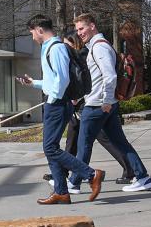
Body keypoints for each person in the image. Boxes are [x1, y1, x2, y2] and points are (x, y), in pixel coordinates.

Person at [18, 14, 105, 204]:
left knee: (50, 147)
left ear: (40, 30)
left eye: (32, 32)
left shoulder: (56, 48)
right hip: (56, 102)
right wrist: (33, 83)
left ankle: (91, 175)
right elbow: (53, 80)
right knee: (51, 148)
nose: (32, 36)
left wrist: (54, 99)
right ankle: (61, 192)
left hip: (57, 104)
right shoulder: (49, 48)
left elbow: (63, 79)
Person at [69, 13, 151, 193]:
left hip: (98, 105)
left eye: (82, 28)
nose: (79, 33)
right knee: (120, 143)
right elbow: (98, 78)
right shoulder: (97, 46)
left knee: (84, 144)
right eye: (78, 30)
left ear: (92, 26)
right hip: (103, 103)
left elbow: (110, 76)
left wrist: (107, 101)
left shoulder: (99, 48)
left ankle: (74, 182)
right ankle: (142, 177)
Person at [42, 30, 135, 192]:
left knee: (95, 141)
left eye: (67, 43)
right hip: (85, 104)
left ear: (74, 43)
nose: (64, 46)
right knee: (76, 140)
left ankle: (85, 176)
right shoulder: (80, 54)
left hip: (90, 104)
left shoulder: (84, 54)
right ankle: (67, 175)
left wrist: (103, 101)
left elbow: (94, 80)